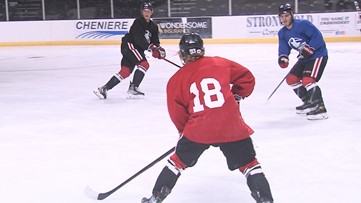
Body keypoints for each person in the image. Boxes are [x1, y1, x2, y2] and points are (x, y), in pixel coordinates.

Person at [141, 33, 273, 203]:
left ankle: (156, 197)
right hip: (231, 126)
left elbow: (177, 113)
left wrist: (184, 132)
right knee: (250, 164)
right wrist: (237, 96)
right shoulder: (220, 63)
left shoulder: (176, 80)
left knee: (177, 162)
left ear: (181, 53)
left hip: (199, 130)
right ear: (202, 50)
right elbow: (247, 78)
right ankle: (266, 199)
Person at [94, 2, 166, 99]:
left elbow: (155, 41)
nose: (146, 13)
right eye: (145, 11)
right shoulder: (138, 22)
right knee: (144, 64)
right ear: (141, 12)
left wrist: (157, 49)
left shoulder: (153, 26)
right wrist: (150, 48)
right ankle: (134, 88)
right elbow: (138, 39)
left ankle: (104, 89)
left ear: (152, 12)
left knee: (125, 71)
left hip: (136, 49)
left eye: (148, 11)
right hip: (130, 46)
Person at [277, 3, 329, 120]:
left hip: (318, 55)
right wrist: (283, 58)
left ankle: (320, 108)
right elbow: (283, 48)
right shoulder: (282, 33)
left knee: (308, 80)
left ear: (291, 15)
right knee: (291, 79)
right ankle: (309, 102)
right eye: (282, 16)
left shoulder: (303, 25)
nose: (284, 19)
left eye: (286, 16)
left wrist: (310, 48)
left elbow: (317, 37)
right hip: (304, 57)